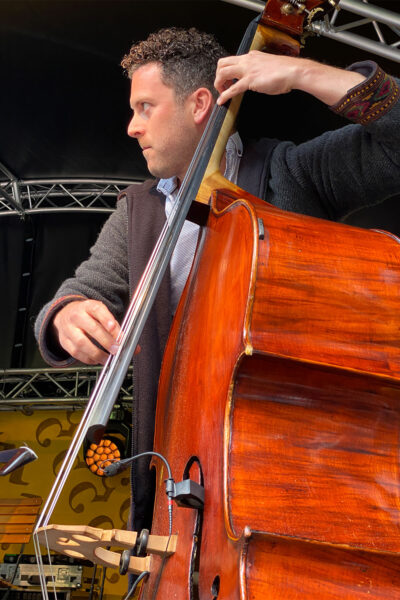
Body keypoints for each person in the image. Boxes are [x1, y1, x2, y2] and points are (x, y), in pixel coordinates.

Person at [35, 27, 400, 531]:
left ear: (199, 103)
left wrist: (306, 73)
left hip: (286, 469)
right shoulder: (137, 210)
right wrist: (65, 315)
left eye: (145, 107)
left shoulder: (289, 174)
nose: (131, 127)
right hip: (176, 475)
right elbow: (86, 287)